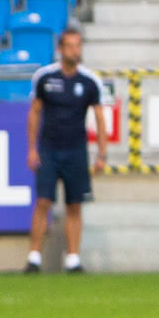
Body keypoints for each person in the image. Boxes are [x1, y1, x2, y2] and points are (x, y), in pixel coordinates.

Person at [24, 28, 110, 273]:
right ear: (61, 49)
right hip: (49, 149)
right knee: (43, 201)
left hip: (76, 150)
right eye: (70, 46)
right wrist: (31, 149)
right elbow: (35, 113)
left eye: (78, 46)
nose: (75, 51)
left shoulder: (89, 81)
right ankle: (34, 257)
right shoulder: (44, 78)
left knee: (75, 204)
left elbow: (99, 118)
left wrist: (102, 154)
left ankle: (72, 259)